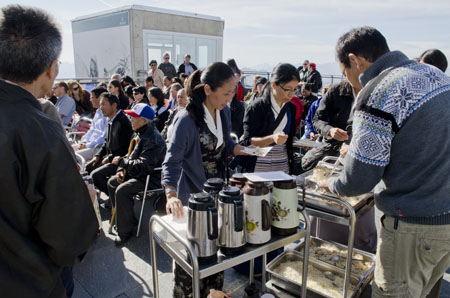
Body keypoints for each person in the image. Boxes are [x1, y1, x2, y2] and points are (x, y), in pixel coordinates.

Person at [318, 26, 450, 298]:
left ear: (355, 60)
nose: (350, 81)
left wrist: (332, 184)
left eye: (345, 72)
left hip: (413, 223)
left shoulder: (379, 90)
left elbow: (360, 178)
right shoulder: (435, 75)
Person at [0, 5, 99, 298]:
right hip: (31, 281)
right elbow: (69, 240)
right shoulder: (41, 130)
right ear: (52, 68)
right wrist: (85, 199)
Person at [162, 62, 246, 297]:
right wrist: (170, 194)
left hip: (217, 196)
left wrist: (236, 148)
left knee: (213, 257)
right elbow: (172, 161)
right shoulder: (186, 119)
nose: (230, 99)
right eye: (226, 93)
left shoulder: (224, 112)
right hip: (194, 198)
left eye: (233, 93)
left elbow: (225, 145)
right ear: (208, 89)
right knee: (192, 260)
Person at [107, 103, 166, 245]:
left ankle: (124, 232)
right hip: (138, 172)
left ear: (144, 120)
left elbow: (144, 166)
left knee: (122, 190)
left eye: (134, 117)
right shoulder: (140, 132)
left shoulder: (152, 138)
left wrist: (122, 163)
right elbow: (131, 155)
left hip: (150, 177)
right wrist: (122, 169)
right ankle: (127, 219)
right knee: (112, 182)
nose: (130, 119)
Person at [240, 63, 299, 174]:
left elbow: (290, 135)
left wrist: (298, 142)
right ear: (274, 85)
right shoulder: (256, 107)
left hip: (282, 160)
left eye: (295, 89)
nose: (291, 94)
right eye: (287, 89)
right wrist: (272, 138)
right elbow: (247, 141)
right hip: (258, 160)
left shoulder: (291, 107)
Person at [301, 81, 354, 171]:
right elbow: (316, 120)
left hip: (357, 154)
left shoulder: (376, 92)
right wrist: (329, 131)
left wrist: (350, 142)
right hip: (331, 146)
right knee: (306, 164)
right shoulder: (336, 91)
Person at [88, 93, 133, 190]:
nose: (101, 108)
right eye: (100, 105)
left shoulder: (123, 122)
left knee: (95, 176)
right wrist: (98, 155)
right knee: (88, 167)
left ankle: (113, 200)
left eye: (104, 104)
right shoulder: (110, 120)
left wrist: (110, 157)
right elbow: (106, 142)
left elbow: (125, 148)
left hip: (119, 161)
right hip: (109, 158)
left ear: (114, 105)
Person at [74, 87, 109, 161]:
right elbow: (91, 130)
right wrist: (84, 142)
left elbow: (103, 137)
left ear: (100, 98)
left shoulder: (107, 115)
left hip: (96, 147)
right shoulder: (98, 112)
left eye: (92, 97)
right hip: (89, 144)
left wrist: (87, 145)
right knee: (66, 149)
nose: (90, 100)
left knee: (72, 156)